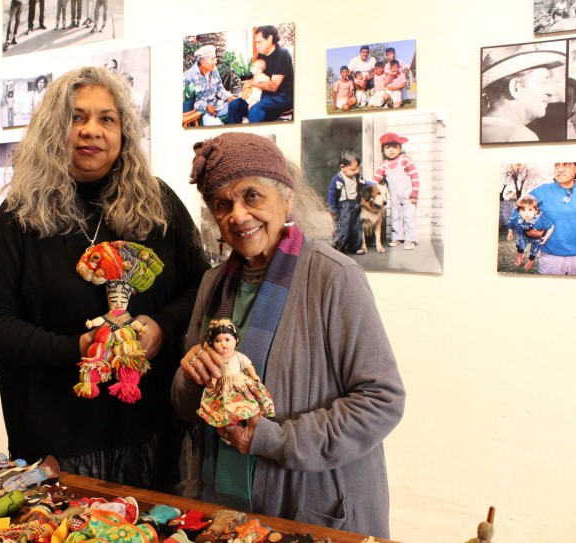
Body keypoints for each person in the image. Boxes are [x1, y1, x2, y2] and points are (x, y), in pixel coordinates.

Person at [0, 66, 210, 491]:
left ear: (123, 133)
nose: (90, 130)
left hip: (153, 429)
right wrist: (75, 348)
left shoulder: (159, 204)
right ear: (53, 129)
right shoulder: (19, 216)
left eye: (106, 119)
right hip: (58, 436)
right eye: (76, 117)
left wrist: (163, 327)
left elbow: (202, 287)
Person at [172, 132, 405, 538]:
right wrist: (190, 376)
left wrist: (274, 439)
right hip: (224, 508)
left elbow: (381, 401)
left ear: (287, 198)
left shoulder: (335, 278)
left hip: (311, 509)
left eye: (252, 196)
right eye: (222, 204)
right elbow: (187, 405)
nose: (238, 215)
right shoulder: (213, 284)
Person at [196, 319, 275, 430]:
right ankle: (231, 427)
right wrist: (213, 382)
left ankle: (248, 423)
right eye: (218, 341)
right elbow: (214, 372)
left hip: (239, 384)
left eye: (227, 339)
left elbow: (248, 366)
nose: (223, 344)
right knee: (224, 407)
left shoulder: (238, 356)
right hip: (223, 387)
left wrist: (253, 375)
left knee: (245, 404)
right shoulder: (215, 359)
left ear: (236, 340)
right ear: (212, 343)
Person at [481, 43, 566, 143]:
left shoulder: (475, 129)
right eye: (543, 81)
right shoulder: (520, 136)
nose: (551, 92)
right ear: (515, 87)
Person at [226, 26, 294, 124]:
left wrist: (252, 84)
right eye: (256, 42)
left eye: (259, 42)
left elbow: (273, 86)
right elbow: (256, 77)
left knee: (255, 110)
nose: (257, 46)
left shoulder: (282, 54)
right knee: (234, 104)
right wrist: (247, 88)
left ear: (270, 38)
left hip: (282, 97)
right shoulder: (261, 54)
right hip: (263, 95)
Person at [372, 132, 420, 250]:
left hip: (408, 195)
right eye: (387, 147)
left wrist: (415, 193)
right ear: (383, 150)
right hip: (394, 196)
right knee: (395, 216)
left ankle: (410, 239)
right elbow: (376, 179)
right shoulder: (384, 165)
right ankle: (396, 237)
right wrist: (367, 187)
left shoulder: (405, 159)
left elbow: (415, 176)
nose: (391, 150)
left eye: (395, 147)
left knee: (409, 216)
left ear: (400, 148)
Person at [529, 162, 576, 274]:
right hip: (551, 258)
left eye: (566, 164)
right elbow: (518, 212)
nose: (560, 169)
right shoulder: (541, 191)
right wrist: (527, 230)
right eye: (557, 165)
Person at [328, 149, 372, 254]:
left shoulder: (356, 176)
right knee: (343, 228)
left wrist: (374, 184)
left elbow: (365, 182)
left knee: (356, 226)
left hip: (355, 204)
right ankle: (337, 248)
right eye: (353, 169)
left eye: (358, 168)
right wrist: (332, 208)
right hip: (344, 206)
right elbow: (332, 194)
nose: (356, 171)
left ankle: (355, 247)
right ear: (342, 167)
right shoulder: (338, 179)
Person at [182, 44, 234, 126]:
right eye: (212, 59)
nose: (215, 62)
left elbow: (219, 88)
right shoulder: (187, 76)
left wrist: (228, 97)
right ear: (203, 62)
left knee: (237, 107)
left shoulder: (213, 69)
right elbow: (187, 105)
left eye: (215, 58)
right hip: (201, 113)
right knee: (217, 124)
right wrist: (206, 106)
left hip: (216, 106)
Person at [506, 194, 554, 270]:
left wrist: (546, 237)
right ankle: (520, 256)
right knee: (520, 245)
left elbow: (551, 227)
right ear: (519, 211)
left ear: (535, 211)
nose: (527, 213)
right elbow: (511, 222)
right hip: (523, 234)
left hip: (536, 238)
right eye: (523, 210)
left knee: (534, 250)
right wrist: (510, 232)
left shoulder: (541, 219)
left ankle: (530, 261)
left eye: (530, 210)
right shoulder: (517, 217)